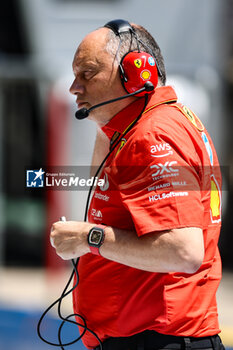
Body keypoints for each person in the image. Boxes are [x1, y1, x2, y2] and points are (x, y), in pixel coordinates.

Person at [50, 19, 225, 350]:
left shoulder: (151, 136)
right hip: (150, 335)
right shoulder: (140, 128)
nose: (75, 87)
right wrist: (107, 123)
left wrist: (88, 238)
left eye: (87, 73)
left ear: (136, 73)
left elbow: (183, 251)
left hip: (157, 338)